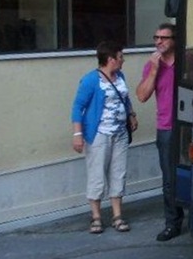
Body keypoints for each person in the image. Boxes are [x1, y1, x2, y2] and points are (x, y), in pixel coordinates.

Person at [71, 40, 138, 234]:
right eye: (120, 57)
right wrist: (78, 134)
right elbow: (78, 107)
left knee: (118, 172)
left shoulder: (120, 76)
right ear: (111, 59)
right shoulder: (91, 80)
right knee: (97, 173)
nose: (123, 60)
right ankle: (96, 217)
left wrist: (131, 114)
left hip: (120, 133)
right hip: (99, 134)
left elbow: (124, 97)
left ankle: (117, 215)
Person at [136, 23, 184, 242]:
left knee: (192, 174)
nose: (158, 42)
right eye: (156, 38)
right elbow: (142, 96)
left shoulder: (187, 62)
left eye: (163, 38)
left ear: (174, 40)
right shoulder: (152, 65)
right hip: (165, 128)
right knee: (169, 179)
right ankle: (172, 223)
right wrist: (154, 70)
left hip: (188, 127)